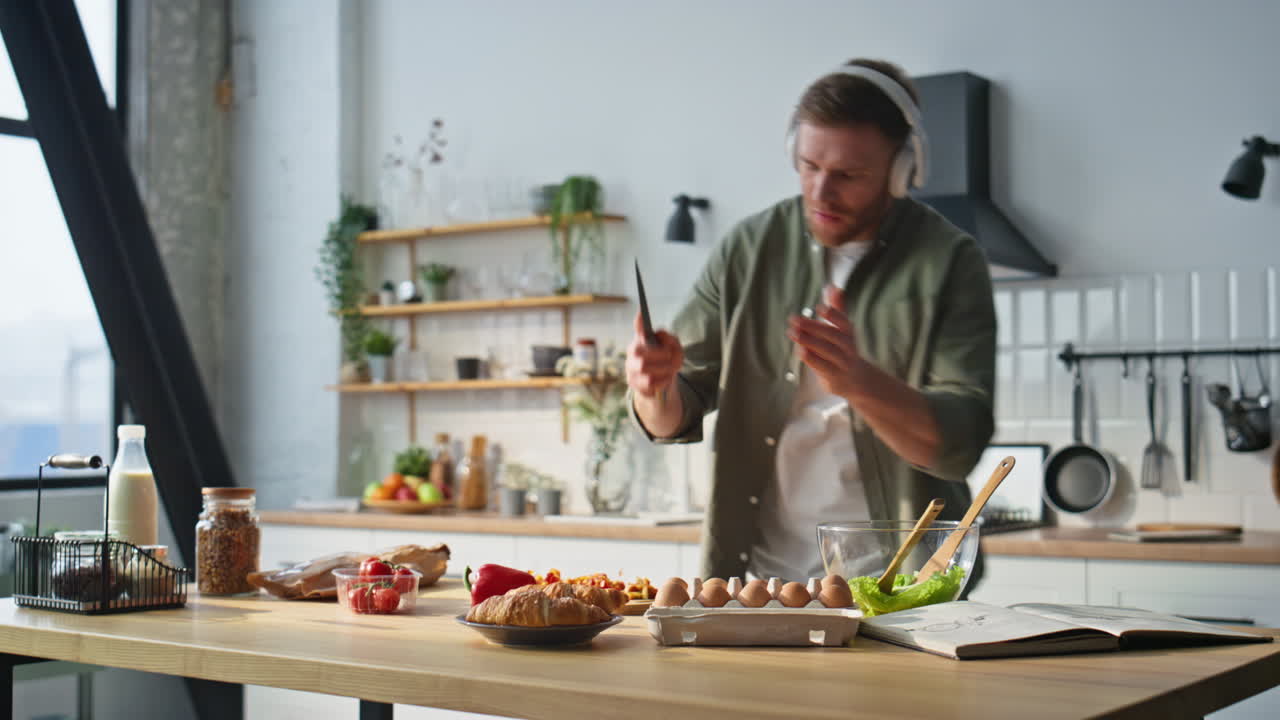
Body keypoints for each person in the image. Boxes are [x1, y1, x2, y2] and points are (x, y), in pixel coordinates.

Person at [626, 58, 996, 583]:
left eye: (848, 175)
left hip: (901, 590)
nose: (820, 192)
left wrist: (860, 383)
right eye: (808, 166)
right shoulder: (749, 250)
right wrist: (652, 387)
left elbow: (959, 446)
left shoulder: (948, 261)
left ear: (901, 170)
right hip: (758, 583)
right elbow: (670, 415)